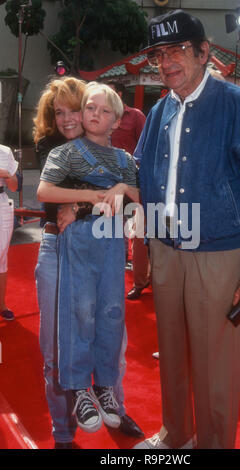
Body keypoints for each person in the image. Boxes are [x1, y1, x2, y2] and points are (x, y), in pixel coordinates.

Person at [133, 10, 240, 450]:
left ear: (205, 53)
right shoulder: (160, 109)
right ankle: (176, 433)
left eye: (178, 50)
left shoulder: (238, 107)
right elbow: (142, 174)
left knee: (215, 363)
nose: (166, 62)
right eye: (159, 54)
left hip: (218, 254)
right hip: (165, 249)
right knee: (173, 352)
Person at [34, 78, 142, 448]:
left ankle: (115, 405)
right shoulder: (56, 148)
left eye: (73, 109)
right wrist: (90, 198)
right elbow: (47, 195)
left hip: (104, 246)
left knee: (113, 333)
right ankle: (63, 431)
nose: (67, 118)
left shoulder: (116, 155)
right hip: (57, 247)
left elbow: (131, 202)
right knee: (57, 347)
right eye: (57, 112)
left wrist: (98, 198)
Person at [107, 80, 150, 300]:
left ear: (120, 94)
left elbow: (146, 147)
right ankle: (119, 260)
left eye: (111, 92)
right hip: (106, 180)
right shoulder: (102, 116)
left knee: (139, 230)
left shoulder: (135, 116)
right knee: (113, 223)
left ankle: (142, 277)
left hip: (134, 180)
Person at [0, 145, 19, 321]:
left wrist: (6, 174)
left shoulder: (5, 151)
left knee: (1, 258)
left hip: (1, 204)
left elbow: (14, 187)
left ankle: (2, 304)